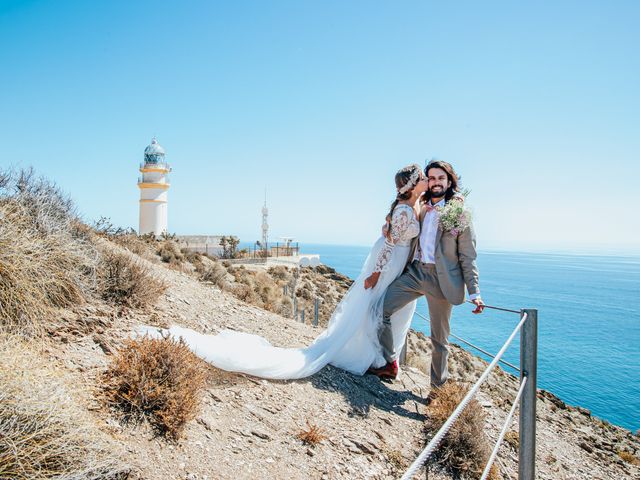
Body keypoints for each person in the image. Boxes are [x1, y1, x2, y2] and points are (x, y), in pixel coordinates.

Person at [137, 164, 428, 380]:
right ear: (412, 183)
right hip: (387, 264)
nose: (427, 181)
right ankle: (372, 356)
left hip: (394, 263)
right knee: (374, 307)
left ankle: (379, 356)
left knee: (377, 309)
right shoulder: (404, 210)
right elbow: (390, 244)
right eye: (423, 178)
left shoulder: (411, 206)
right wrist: (377, 274)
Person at [367, 160, 484, 388]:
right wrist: (387, 224)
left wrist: (475, 291)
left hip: (442, 281)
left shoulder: (459, 212)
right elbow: (401, 210)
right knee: (381, 309)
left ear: (449, 181)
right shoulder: (421, 204)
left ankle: (438, 390)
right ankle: (390, 363)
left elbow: (468, 256)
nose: (436, 182)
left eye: (441, 178)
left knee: (439, 340)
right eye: (431, 178)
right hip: (415, 272)